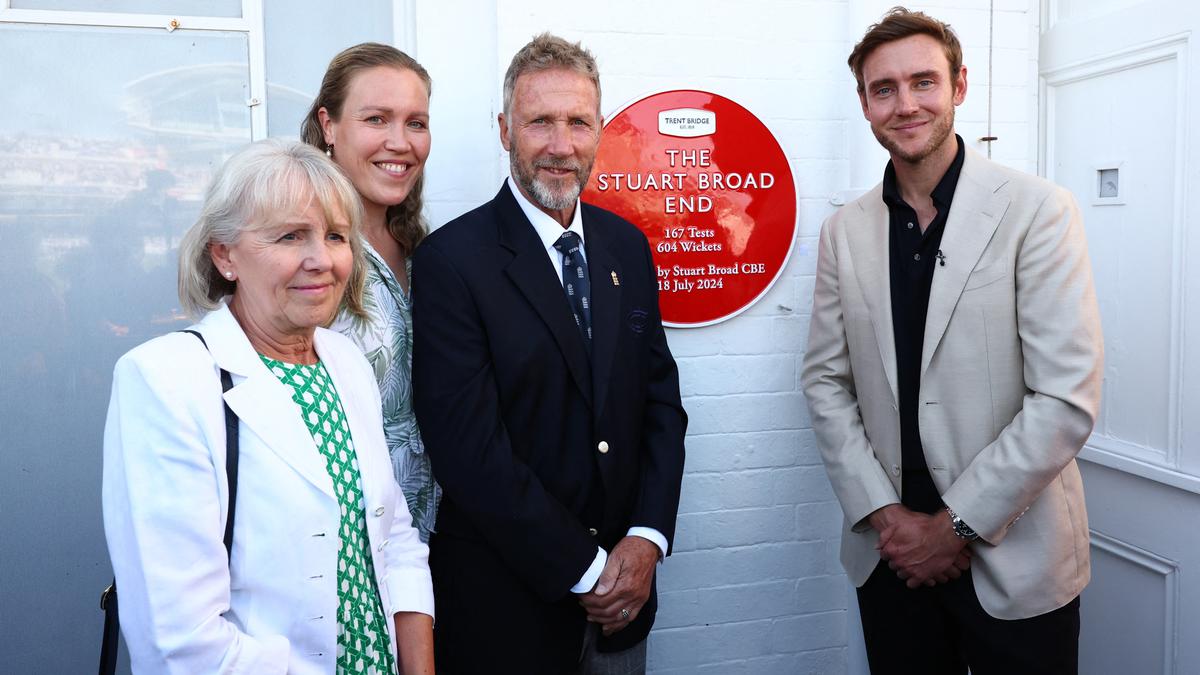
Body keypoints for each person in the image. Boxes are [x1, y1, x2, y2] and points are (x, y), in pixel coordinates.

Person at [800, 8, 1104, 675]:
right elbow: (826, 382)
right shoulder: (842, 232)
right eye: (885, 89)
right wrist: (889, 520)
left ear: (959, 86)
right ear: (865, 104)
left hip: (1017, 560)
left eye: (923, 82)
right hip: (893, 558)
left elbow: (1065, 399)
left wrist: (951, 527)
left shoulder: (1038, 212)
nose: (905, 104)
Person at [102, 139, 435, 674]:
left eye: (335, 236)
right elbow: (179, 642)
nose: (321, 260)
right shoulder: (166, 380)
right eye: (289, 236)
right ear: (224, 255)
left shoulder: (344, 361)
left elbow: (395, 538)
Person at [411, 33, 688, 674]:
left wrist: (647, 540)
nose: (560, 146)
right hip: (508, 614)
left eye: (577, 123)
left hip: (626, 604)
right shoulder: (453, 262)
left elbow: (660, 405)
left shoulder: (626, 247)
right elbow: (469, 451)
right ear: (505, 129)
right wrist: (589, 570)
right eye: (540, 122)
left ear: (599, 131)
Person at [300, 43, 440, 542]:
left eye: (416, 123)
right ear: (329, 125)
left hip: (428, 544)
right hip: (339, 547)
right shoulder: (302, 251)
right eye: (377, 119)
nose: (400, 142)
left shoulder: (423, 247)